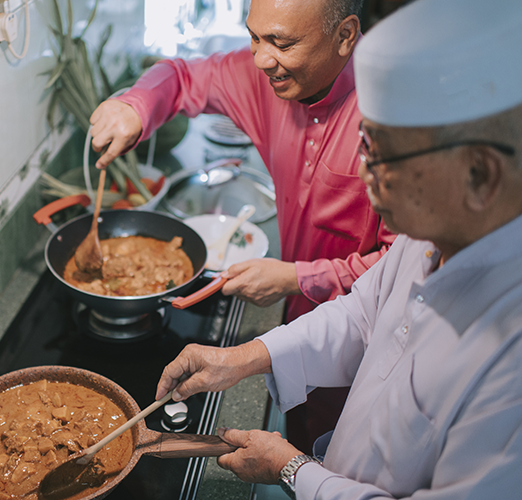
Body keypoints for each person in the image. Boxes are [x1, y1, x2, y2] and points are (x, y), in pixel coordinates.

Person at [154, 0, 522, 498]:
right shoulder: (431, 236)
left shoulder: (510, 360)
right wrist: (244, 356)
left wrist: (292, 470)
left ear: (480, 175)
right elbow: (364, 315)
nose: (365, 173)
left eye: (383, 155)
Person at [89, 0, 395, 453]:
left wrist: (296, 276)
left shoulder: (394, 114)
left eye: (282, 43)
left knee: (345, 457)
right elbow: (183, 76)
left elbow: (406, 265)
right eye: (254, 37)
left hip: (373, 350)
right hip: (294, 328)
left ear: (345, 35)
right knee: (301, 442)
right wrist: (135, 106)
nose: (261, 59)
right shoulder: (271, 78)